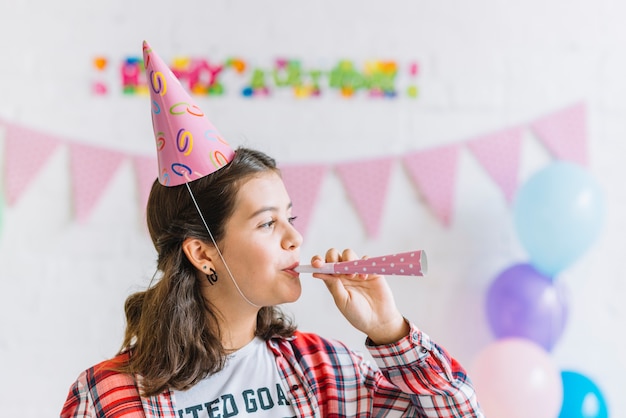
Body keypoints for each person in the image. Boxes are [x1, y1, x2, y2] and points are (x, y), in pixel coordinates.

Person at [60, 41, 484, 417]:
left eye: (290, 217)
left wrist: (390, 331)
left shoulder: (324, 371)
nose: (294, 237)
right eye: (267, 222)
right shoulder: (105, 397)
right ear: (203, 253)